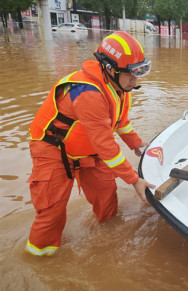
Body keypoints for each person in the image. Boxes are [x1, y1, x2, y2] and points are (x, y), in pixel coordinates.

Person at [25, 31, 156, 256]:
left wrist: (136, 143)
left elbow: (120, 122)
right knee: (51, 213)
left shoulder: (120, 88)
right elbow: (106, 145)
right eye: (133, 73)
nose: (137, 79)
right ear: (109, 68)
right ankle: (40, 260)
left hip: (88, 148)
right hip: (53, 149)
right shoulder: (87, 93)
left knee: (107, 195)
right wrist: (134, 180)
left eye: (141, 70)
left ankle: (106, 238)